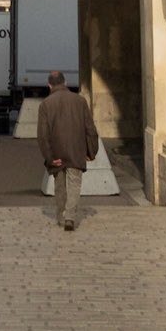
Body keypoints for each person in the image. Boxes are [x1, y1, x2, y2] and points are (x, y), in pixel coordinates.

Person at [36, 69, 99, 232]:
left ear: (49, 86)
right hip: (76, 150)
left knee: (60, 185)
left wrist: (49, 157)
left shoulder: (45, 105)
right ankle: (70, 216)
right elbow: (90, 128)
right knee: (74, 184)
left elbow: (43, 135)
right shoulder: (80, 101)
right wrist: (92, 151)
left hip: (57, 151)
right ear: (65, 83)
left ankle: (61, 215)